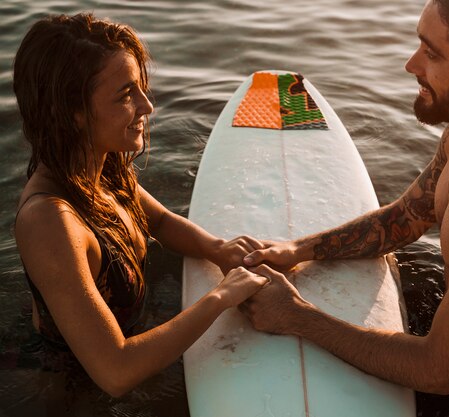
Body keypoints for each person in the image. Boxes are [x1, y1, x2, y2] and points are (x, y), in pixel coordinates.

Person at [240, 0, 449, 415]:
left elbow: (438, 372)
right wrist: (299, 250)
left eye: (432, 53)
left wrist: (295, 316)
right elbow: (406, 218)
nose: (410, 64)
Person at [13, 13, 272, 398]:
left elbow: (162, 222)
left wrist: (217, 249)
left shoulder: (101, 164)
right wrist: (220, 297)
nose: (147, 106)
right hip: (80, 390)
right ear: (72, 112)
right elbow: (115, 372)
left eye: (140, 89)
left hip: (135, 340)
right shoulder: (50, 221)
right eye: (125, 95)